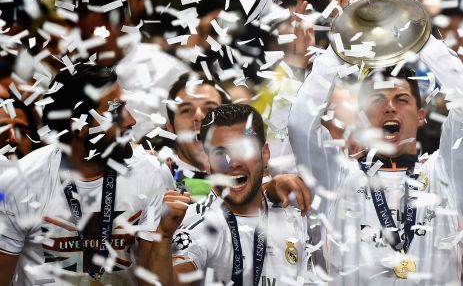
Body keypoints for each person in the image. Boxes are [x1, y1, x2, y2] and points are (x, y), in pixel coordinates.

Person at [288, 0, 463, 284]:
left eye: (402, 99)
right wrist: (340, 47)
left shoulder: (447, 173)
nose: (390, 108)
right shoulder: (337, 176)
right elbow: (300, 124)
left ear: (421, 117)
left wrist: (420, 36)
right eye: (377, 101)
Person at [0, 62, 174, 285]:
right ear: (79, 127)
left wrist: (164, 236)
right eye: (115, 111)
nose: (131, 120)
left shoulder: (151, 173)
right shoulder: (19, 182)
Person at [141, 104, 315, 285]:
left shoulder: (294, 217)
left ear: (265, 153)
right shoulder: (196, 224)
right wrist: (163, 237)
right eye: (221, 153)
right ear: (207, 163)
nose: (233, 163)